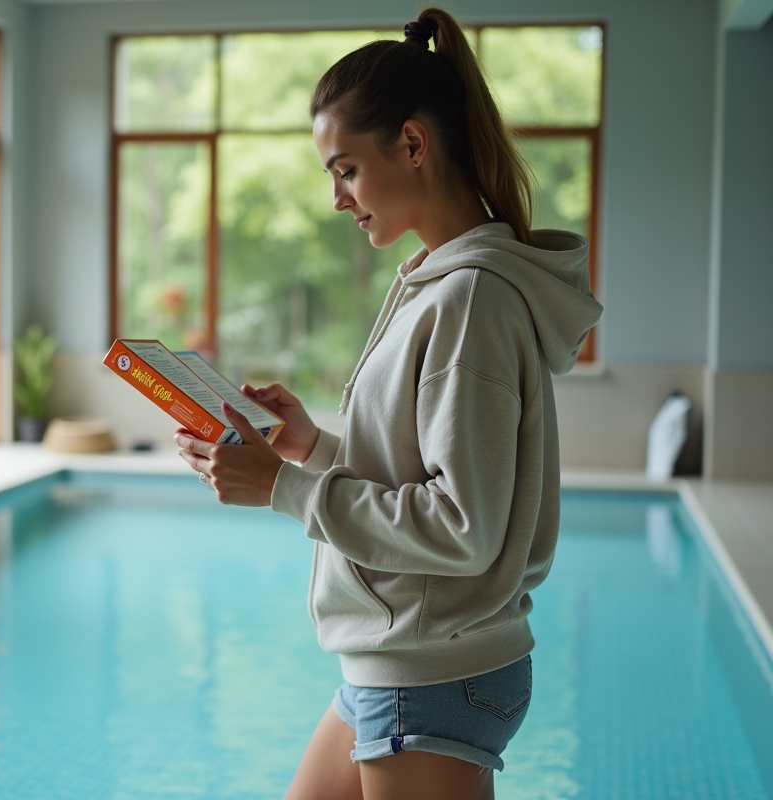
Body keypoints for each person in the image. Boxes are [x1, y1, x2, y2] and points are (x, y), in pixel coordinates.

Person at [174, 8, 603, 800]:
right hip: (405, 663)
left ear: (411, 144)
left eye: (345, 169)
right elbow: (426, 472)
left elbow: (464, 527)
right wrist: (311, 446)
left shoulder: (469, 299)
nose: (337, 197)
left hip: (430, 675)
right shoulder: (443, 285)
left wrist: (282, 489)